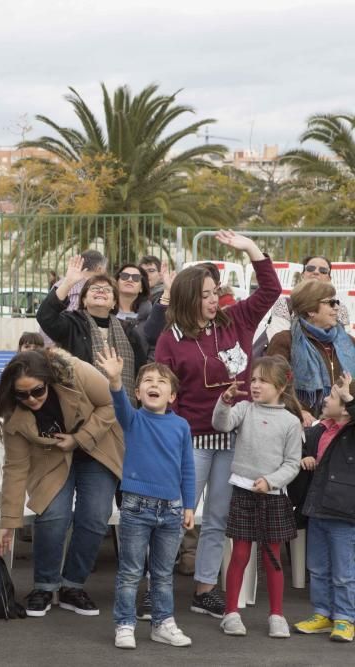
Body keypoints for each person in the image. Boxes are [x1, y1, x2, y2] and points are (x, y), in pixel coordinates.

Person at [154, 229, 281, 619]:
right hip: (192, 439)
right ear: (189, 298)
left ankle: (205, 589)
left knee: (218, 520)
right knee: (176, 517)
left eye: (215, 292)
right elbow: (163, 389)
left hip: (234, 441)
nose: (213, 300)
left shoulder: (235, 321)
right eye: (206, 294)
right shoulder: (169, 339)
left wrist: (251, 250)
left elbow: (270, 291)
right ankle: (156, 589)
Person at [0, 348, 123, 617]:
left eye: (38, 391)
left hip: (96, 449)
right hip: (51, 460)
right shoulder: (14, 414)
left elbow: (112, 404)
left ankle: (73, 586)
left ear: (49, 380)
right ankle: (44, 585)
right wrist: (9, 521)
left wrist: (79, 438)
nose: (31, 399)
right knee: (52, 514)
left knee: (95, 515)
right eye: (22, 394)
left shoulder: (76, 372)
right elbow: (15, 468)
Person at [96, 348, 194, 650]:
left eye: (161, 381)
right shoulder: (134, 419)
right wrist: (114, 380)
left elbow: (187, 469)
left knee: (163, 573)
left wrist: (189, 505)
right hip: (136, 506)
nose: (154, 384)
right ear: (138, 393)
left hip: (172, 509)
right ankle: (125, 623)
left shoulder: (181, 426)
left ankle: (162, 623)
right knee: (130, 571)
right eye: (148, 381)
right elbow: (119, 403)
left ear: (172, 396)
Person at [212, 356, 302, 639]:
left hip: (273, 496)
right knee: (239, 554)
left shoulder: (290, 421)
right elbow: (221, 424)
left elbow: (292, 463)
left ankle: (277, 614)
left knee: (271, 557)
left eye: (262, 380)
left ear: (280, 385)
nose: (255, 385)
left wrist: (271, 481)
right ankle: (231, 613)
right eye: (253, 379)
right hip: (242, 490)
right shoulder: (243, 409)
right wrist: (224, 401)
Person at [293, 373, 355, 642]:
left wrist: (347, 395)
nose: (324, 400)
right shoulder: (320, 429)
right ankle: (322, 613)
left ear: (344, 407)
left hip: (343, 511)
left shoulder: (350, 431)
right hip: (317, 507)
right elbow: (299, 446)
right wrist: (304, 454)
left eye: (330, 397)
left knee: (343, 570)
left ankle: (344, 618)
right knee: (317, 567)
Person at [36, 255, 147, 399]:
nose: (100, 291)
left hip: (123, 410)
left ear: (114, 302)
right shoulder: (72, 324)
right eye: (94, 289)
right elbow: (45, 316)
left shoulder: (129, 331)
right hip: (81, 405)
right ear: (84, 300)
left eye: (107, 290)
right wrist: (68, 283)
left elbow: (140, 373)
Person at [266, 279, 355, 423]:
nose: (336, 307)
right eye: (330, 303)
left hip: (343, 425)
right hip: (301, 424)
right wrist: (297, 411)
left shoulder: (349, 342)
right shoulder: (285, 341)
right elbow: (273, 383)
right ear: (311, 310)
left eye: (337, 302)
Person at [265, 255, 352, 340]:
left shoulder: (339, 308)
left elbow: (346, 343)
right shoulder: (285, 304)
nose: (316, 272)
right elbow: (277, 340)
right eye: (310, 268)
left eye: (323, 270)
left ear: (329, 278)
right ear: (303, 275)